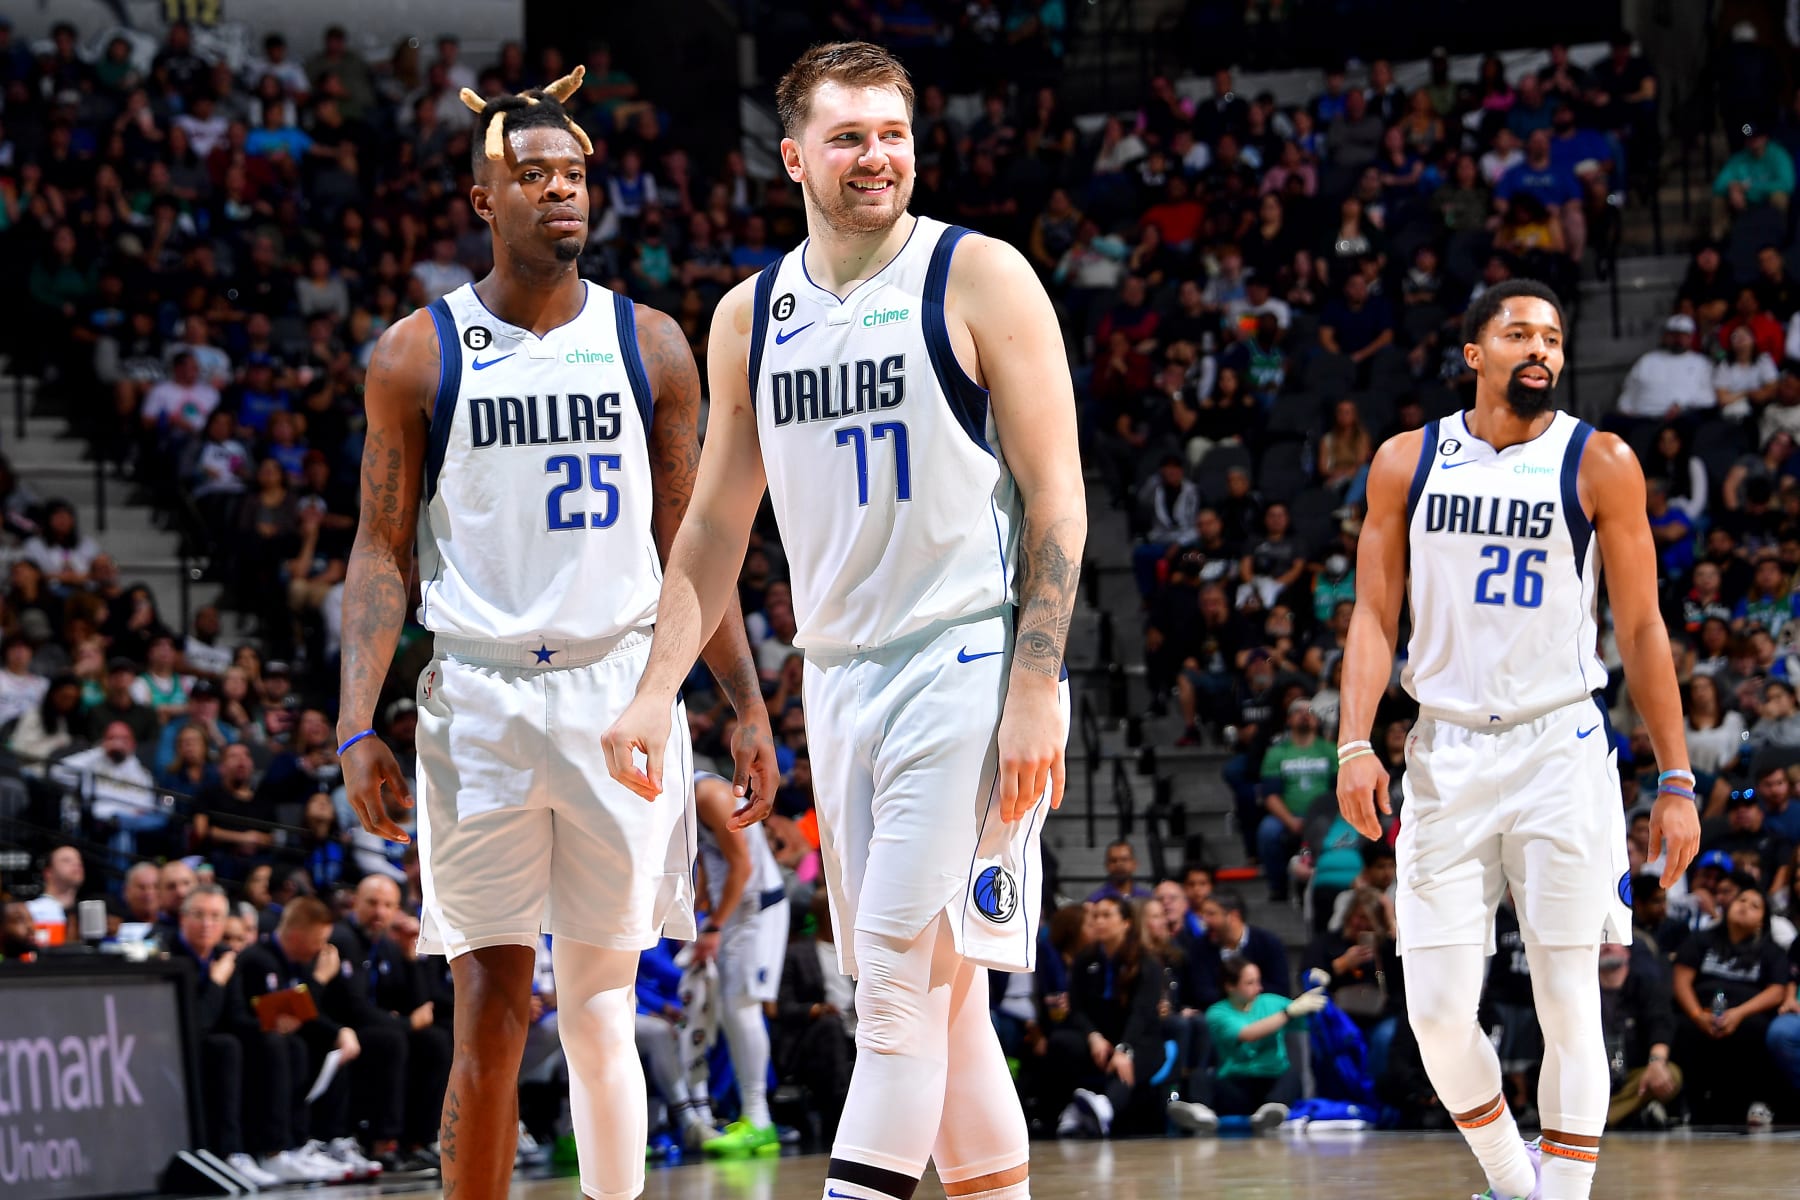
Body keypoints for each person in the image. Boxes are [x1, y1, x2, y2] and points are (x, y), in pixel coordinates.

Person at [603, 42, 1085, 1200]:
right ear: (793, 157)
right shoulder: (750, 316)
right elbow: (712, 530)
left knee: (896, 991)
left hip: (969, 659)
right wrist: (655, 689)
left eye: (893, 134)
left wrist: (1034, 683)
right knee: (945, 1005)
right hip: (841, 679)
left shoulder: (979, 276)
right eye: (849, 137)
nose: (877, 157)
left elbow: (1059, 498)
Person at [335, 66, 776, 1200]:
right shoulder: (416, 352)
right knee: (487, 1008)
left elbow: (695, 549)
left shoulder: (652, 344)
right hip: (478, 700)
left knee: (599, 1004)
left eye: (574, 173)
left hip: (617, 693)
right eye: (532, 175)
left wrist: (746, 702)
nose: (561, 191)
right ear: (485, 199)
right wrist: (354, 725)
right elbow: (380, 549)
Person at [1336, 279, 1701, 1200]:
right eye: (1519, 333)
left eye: (1552, 337)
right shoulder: (1407, 461)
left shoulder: (1601, 460)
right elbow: (1373, 615)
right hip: (1444, 752)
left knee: (1569, 999)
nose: (1540, 348)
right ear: (1474, 353)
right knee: (1436, 1015)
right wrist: (1352, 742)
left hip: (1559, 750)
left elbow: (1642, 628)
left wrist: (1678, 779)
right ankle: (1514, 1180)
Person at [691, 772, 791, 1156]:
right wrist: (701, 906)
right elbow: (709, 855)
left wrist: (714, 926)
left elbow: (742, 866)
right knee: (731, 1011)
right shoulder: (692, 798)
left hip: (755, 909)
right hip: (735, 911)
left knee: (741, 1008)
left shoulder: (708, 795)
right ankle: (752, 1116)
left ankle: (759, 1120)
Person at [1198, 956, 1325, 1131]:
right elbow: (1248, 1033)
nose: (1259, 988)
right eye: (1250, 983)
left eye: (1258, 981)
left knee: (1292, 1076)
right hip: (1237, 1083)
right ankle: (1202, 1113)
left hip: (1272, 1079)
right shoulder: (1217, 1012)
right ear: (1230, 986)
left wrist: (1317, 988)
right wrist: (1287, 1013)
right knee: (1203, 1077)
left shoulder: (1272, 1002)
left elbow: (1309, 1017)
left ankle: (1271, 1110)